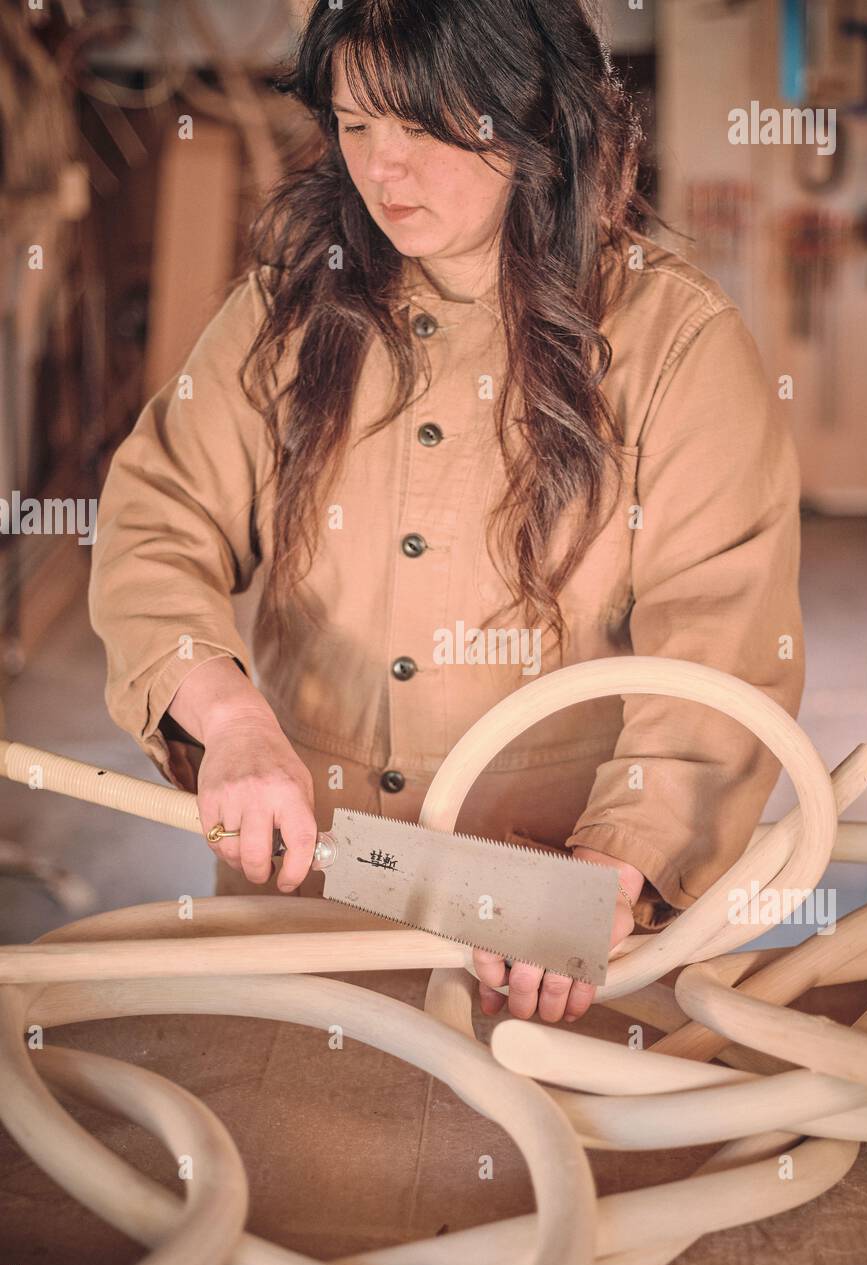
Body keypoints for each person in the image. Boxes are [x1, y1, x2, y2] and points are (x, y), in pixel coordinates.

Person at [89, 0, 804, 1027]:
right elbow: (156, 518)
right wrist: (232, 721)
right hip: (308, 891)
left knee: (544, 1164)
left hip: (548, 929)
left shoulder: (676, 344)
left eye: (425, 126)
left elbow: (721, 649)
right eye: (358, 124)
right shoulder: (290, 307)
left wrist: (616, 866)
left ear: (532, 116)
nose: (386, 169)